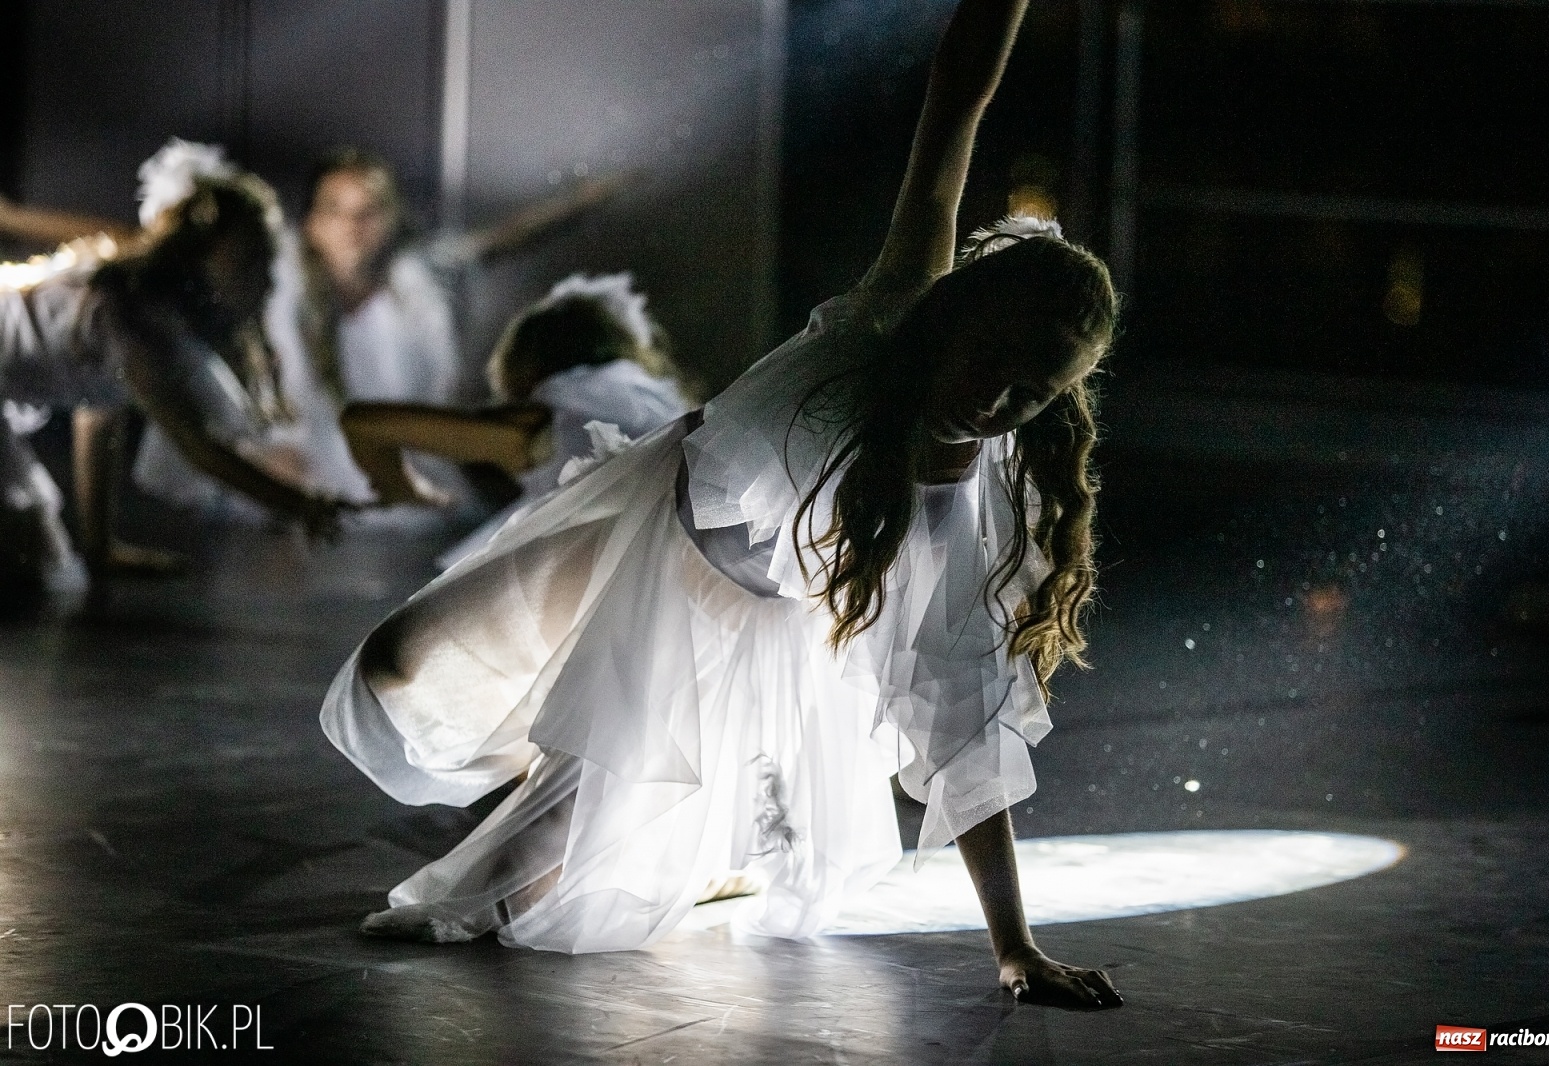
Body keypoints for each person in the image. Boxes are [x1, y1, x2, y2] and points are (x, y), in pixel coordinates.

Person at [322, 0, 1123, 1011]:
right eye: (994, 362)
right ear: (959, 315)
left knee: (506, 900)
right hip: (647, 510)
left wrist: (1015, 948)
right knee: (397, 668)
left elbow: (963, 735)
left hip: (715, 619)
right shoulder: (898, 301)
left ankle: (683, 802)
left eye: (1034, 394)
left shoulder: (942, 503)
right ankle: (597, 757)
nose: (998, 398)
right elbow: (955, 105)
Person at [0, 167, 345, 595]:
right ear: (201, 252)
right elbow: (197, 444)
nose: (265, 278)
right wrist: (299, 504)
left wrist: (99, 547)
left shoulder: (154, 318)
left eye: (266, 261)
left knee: (33, 560)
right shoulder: (129, 315)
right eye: (250, 260)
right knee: (28, 559)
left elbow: (98, 414)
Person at [254, 149, 625, 504]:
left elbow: (503, 239)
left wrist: (592, 196)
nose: (352, 226)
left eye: (368, 212)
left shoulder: (416, 283)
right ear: (312, 221)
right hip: (306, 468)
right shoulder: (274, 286)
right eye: (335, 210)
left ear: (391, 219)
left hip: (406, 474)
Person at [337, 272, 690, 568]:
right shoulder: (660, 403)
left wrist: (402, 485)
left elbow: (364, 423)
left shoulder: (560, 415)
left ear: (524, 364)